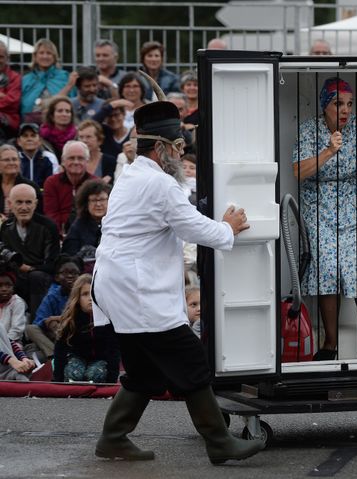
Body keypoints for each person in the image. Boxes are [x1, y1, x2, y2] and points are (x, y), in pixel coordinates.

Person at [91, 81, 263, 463]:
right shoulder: (158, 184)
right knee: (190, 360)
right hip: (136, 290)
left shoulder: (135, 174)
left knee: (144, 372)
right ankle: (220, 442)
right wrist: (228, 227)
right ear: (164, 149)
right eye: (180, 147)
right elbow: (196, 229)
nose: (183, 152)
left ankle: (113, 438)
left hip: (118, 286)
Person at [292, 77, 357, 361]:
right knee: (327, 270)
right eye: (338, 104)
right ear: (325, 106)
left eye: (348, 104)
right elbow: (298, 171)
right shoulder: (309, 129)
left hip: (350, 203)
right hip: (318, 204)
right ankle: (330, 343)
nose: (345, 110)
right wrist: (329, 151)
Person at [0, 184, 59, 319]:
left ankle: (36, 321)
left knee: (36, 277)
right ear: (10, 203)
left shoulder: (48, 226)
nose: (24, 207)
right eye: (19, 202)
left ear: (35, 204)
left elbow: (53, 264)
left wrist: (29, 268)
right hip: (15, 275)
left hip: (41, 277)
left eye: (28, 202)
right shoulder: (6, 227)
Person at [52, 274, 120, 383]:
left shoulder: (107, 320)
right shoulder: (71, 319)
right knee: (74, 374)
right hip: (77, 357)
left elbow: (114, 350)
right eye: (85, 294)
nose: (90, 298)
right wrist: (57, 378)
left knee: (95, 375)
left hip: (100, 359)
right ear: (77, 298)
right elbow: (60, 348)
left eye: (93, 293)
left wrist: (112, 379)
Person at [24, 255, 81, 360]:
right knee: (30, 328)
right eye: (65, 273)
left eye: (74, 273)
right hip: (56, 336)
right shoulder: (52, 295)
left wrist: (58, 318)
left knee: (34, 352)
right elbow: (38, 321)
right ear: (57, 277)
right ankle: (56, 356)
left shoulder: (84, 294)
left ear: (80, 276)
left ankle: (57, 355)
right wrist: (48, 322)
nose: (70, 276)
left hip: (77, 334)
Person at [43, 140, 97, 235]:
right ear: (63, 161)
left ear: (87, 161)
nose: (76, 162)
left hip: (89, 234)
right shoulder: (51, 183)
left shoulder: (95, 183)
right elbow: (51, 214)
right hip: (58, 234)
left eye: (80, 158)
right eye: (71, 158)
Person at [20, 38, 76, 123]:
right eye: (41, 53)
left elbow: (72, 101)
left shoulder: (64, 77)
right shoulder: (26, 80)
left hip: (59, 122)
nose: (45, 56)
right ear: (35, 56)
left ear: (54, 57)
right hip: (30, 124)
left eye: (49, 53)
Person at [62, 179, 110, 257]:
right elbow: (69, 255)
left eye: (102, 199)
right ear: (85, 203)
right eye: (94, 200)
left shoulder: (116, 224)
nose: (98, 204)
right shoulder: (77, 227)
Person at [0, 145, 43, 219]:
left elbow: (39, 216)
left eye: (14, 159)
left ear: (19, 162)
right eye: (6, 160)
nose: (11, 163)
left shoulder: (30, 187)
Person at [16, 122, 59, 187]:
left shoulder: (49, 157)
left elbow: (54, 184)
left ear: (40, 141)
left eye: (33, 135)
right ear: (18, 141)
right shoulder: (14, 158)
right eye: (25, 136)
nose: (29, 139)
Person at [77, 119, 116, 183]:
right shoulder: (74, 161)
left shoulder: (110, 161)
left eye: (88, 137)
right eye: (81, 137)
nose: (84, 140)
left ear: (99, 140)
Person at [0, 40, 21, 142]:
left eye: (1, 57)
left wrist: (6, 97)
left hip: (9, 121)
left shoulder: (15, 77)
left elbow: (12, 102)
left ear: (7, 58)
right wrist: (2, 96)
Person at [0, 271, 28, 344]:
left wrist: (3, 343)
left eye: (8, 285)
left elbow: (17, 330)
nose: (4, 289)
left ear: (13, 287)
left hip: (12, 342)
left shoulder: (17, 302)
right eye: (0, 286)